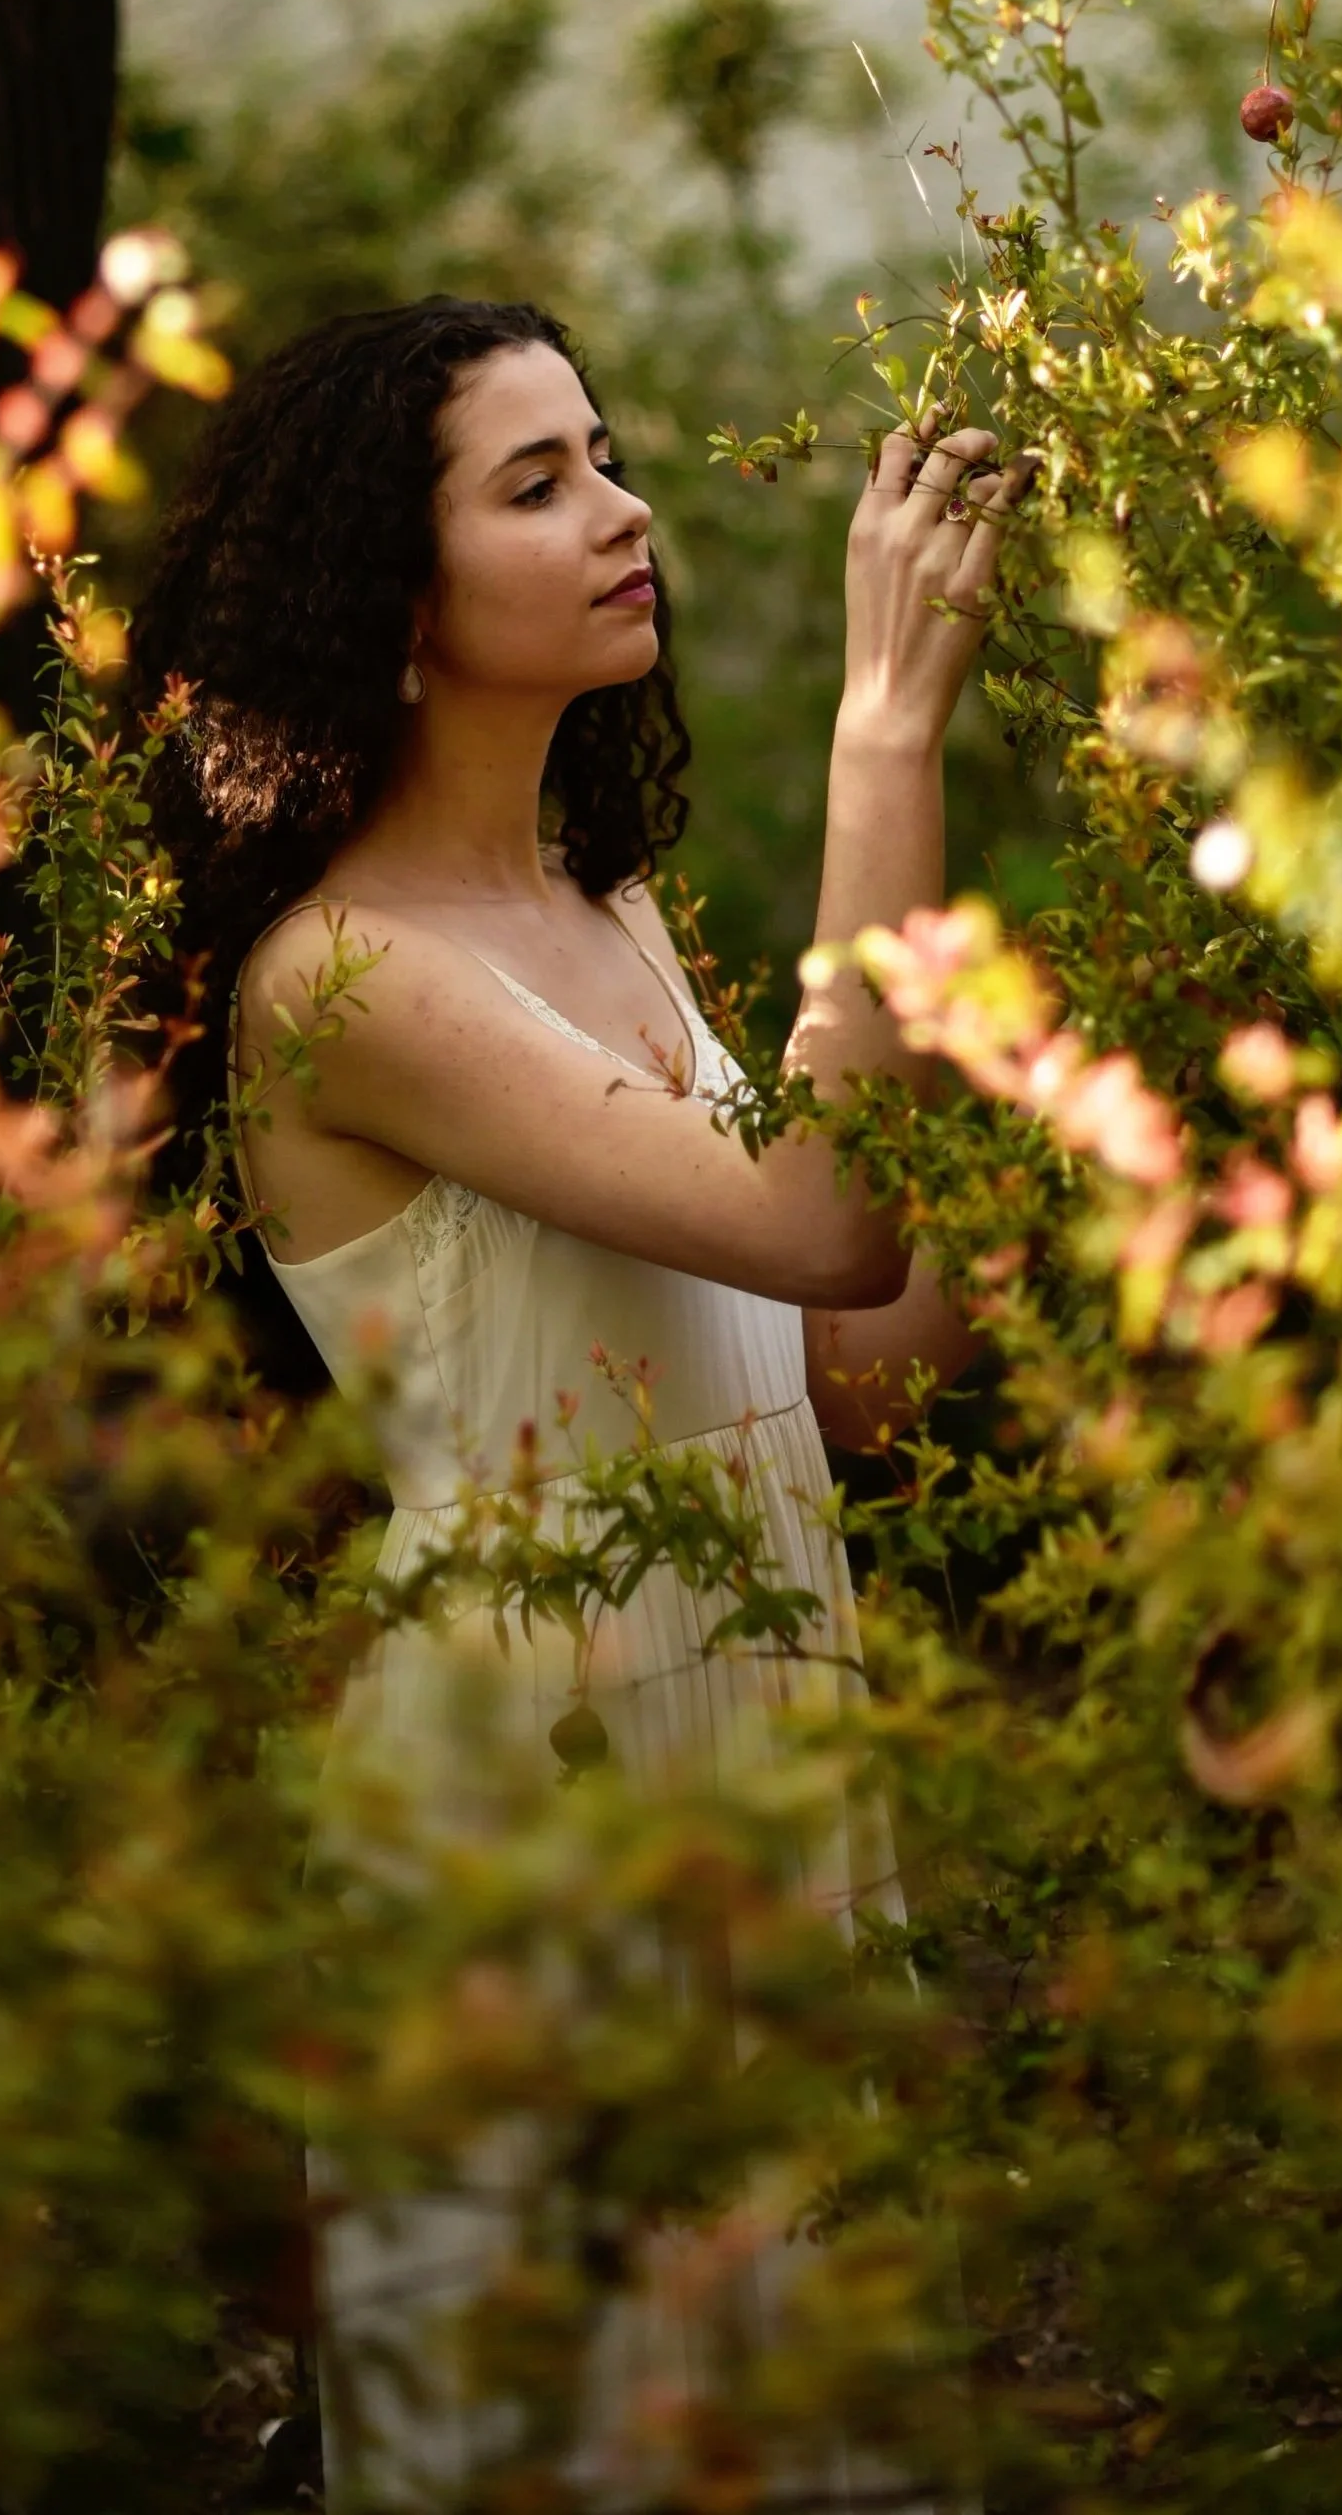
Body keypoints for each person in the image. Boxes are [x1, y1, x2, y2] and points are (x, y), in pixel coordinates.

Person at [132, 294, 1001, 2507]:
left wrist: (1009, 1143)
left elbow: (848, 1371)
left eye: (599, 457)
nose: (622, 513)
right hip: (545, 1803)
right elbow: (813, 1222)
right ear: (389, 603)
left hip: (760, 1743)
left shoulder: (604, 909)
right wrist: (884, 740)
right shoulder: (339, 981)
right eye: (537, 483)